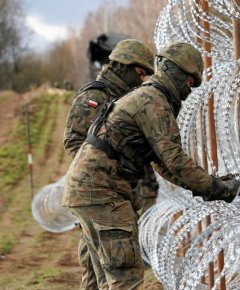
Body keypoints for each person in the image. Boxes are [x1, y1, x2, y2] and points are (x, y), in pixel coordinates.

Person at [62, 42, 240, 289]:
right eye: (189, 80)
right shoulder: (154, 101)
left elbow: (163, 164)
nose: (188, 89)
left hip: (93, 193)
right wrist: (220, 189)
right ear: (172, 70)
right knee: (125, 277)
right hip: (104, 194)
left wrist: (214, 185)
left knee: (103, 281)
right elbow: (175, 160)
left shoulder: (147, 96)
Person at [63, 38, 157, 290]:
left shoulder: (126, 98)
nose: (141, 80)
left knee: (105, 274)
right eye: (139, 73)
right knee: (99, 274)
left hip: (116, 195)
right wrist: (105, 171)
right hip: (98, 196)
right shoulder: (96, 95)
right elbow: (73, 142)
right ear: (123, 66)